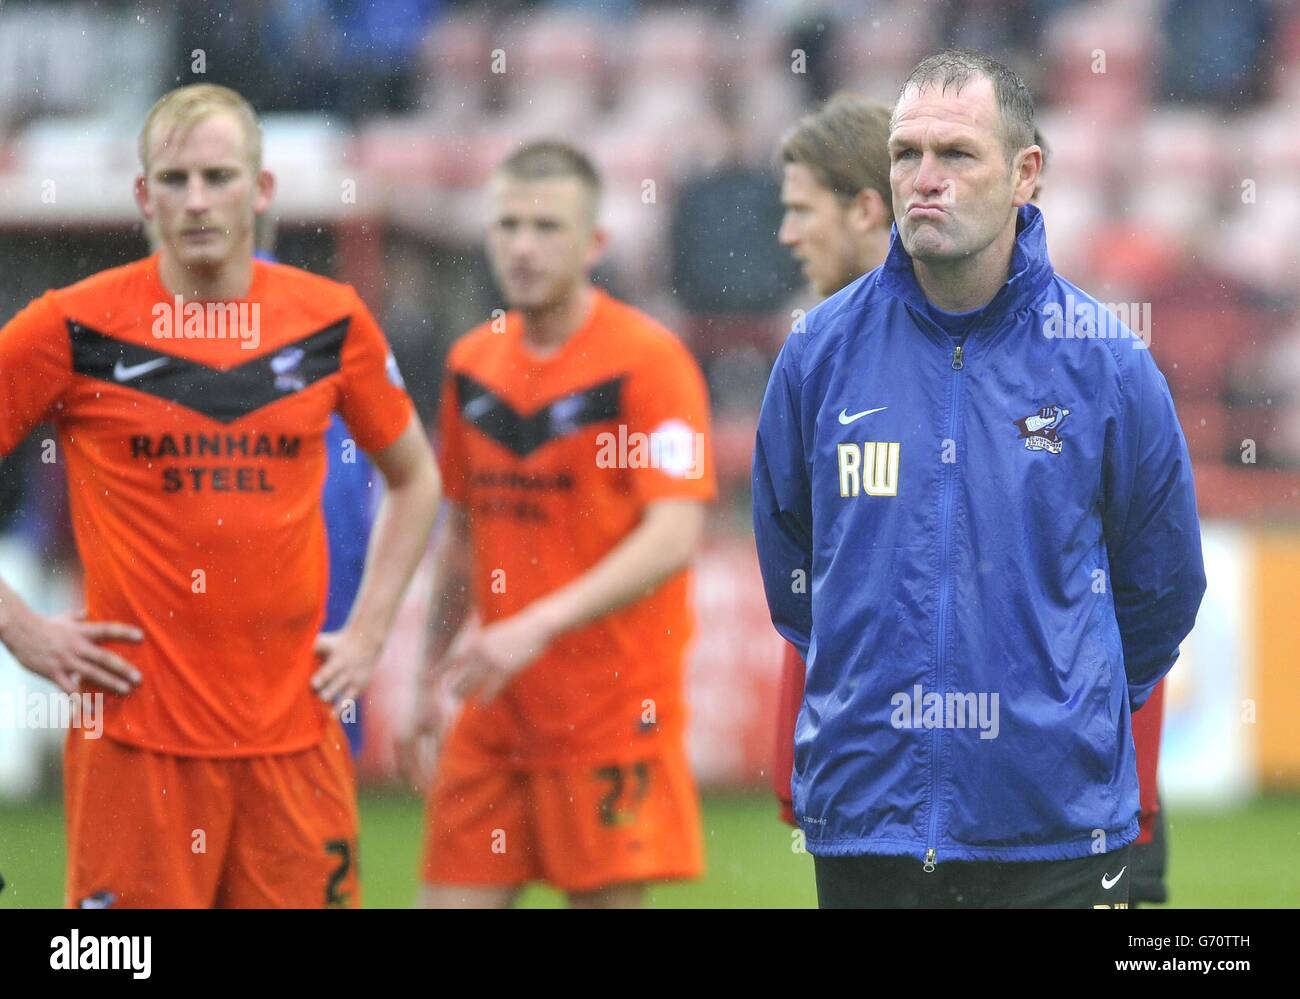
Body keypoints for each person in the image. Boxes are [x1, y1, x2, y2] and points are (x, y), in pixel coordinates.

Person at [751, 49, 1206, 908]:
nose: (924, 178)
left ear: (1026, 173)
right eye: (906, 153)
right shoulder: (817, 355)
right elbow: (793, 569)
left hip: (1057, 834)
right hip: (868, 825)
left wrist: (1063, 713)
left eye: (956, 155)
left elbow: (1164, 588)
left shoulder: (1105, 361)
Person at [0, 83, 440, 908]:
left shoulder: (331, 323)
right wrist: (19, 625)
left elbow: (418, 477)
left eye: (219, 176)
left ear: (262, 189)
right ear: (143, 197)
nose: (197, 201)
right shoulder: (72, 326)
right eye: (175, 179)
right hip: (134, 745)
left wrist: (369, 630)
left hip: (294, 742)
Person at [404, 141, 715, 909]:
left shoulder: (651, 362)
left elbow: (674, 535)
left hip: (610, 711)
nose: (523, 245)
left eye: (547, 226)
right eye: (508, 224)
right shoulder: (472, 363)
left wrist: (536, 622)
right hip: (495, 707)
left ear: (594, 242)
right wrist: (423, 681)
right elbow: (463, 538)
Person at [769, 93, 895, 827]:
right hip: (855, 754)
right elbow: (803, 569)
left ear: (866, 208)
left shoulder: (1008, 344)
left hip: (1011, 778)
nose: (786, 234)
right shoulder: (815, 355)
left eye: (802, 209)